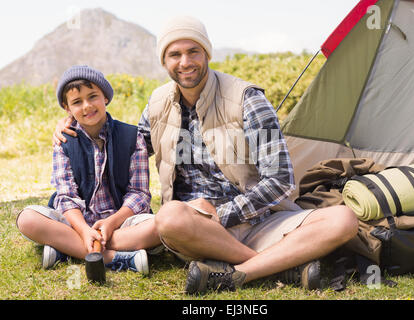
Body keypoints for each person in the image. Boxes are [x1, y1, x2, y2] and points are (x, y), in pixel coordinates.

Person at [53, 17, 359, 294]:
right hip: (192, 228)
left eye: (193, 51)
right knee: (169, 216)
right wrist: (77, 124)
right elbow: (126, 148)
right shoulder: (158, 104)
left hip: (258, 221)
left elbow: (280, 180)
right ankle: (282, 266)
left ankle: (236, 274)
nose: (185, 62)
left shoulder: (247, 99)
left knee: (343, 219)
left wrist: (222, 213)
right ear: (165, 61)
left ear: (207, 54)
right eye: (175, 55)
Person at [17, 65, 162, 274]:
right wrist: (84, 230)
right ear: (67, 109)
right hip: (75, 223)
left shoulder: (132, 137)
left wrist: (112, 223)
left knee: (161, 227)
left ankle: (67, 249)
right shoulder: (63, 141)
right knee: (27, 219)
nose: (86, 106)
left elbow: (139, 194)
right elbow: (66, 196)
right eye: (77, 102)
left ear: (105, 98)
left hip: (121, 222)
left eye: (92, 96)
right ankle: (114, 258)